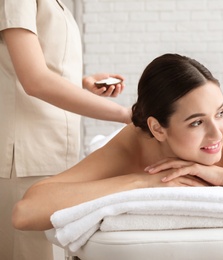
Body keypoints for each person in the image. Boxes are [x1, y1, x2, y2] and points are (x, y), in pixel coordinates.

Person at [12, 53, 223, 238]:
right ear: (157, 128)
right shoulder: (132, 146)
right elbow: (26, 213)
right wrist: (143, 182)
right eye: (197, 122)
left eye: (221, 113)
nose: (217, 134)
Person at [0, 1, 131, 259]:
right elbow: (34, 80)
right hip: (26, 154)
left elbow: (43, 70)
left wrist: (82, 86)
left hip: (52, 152)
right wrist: (126, 114)